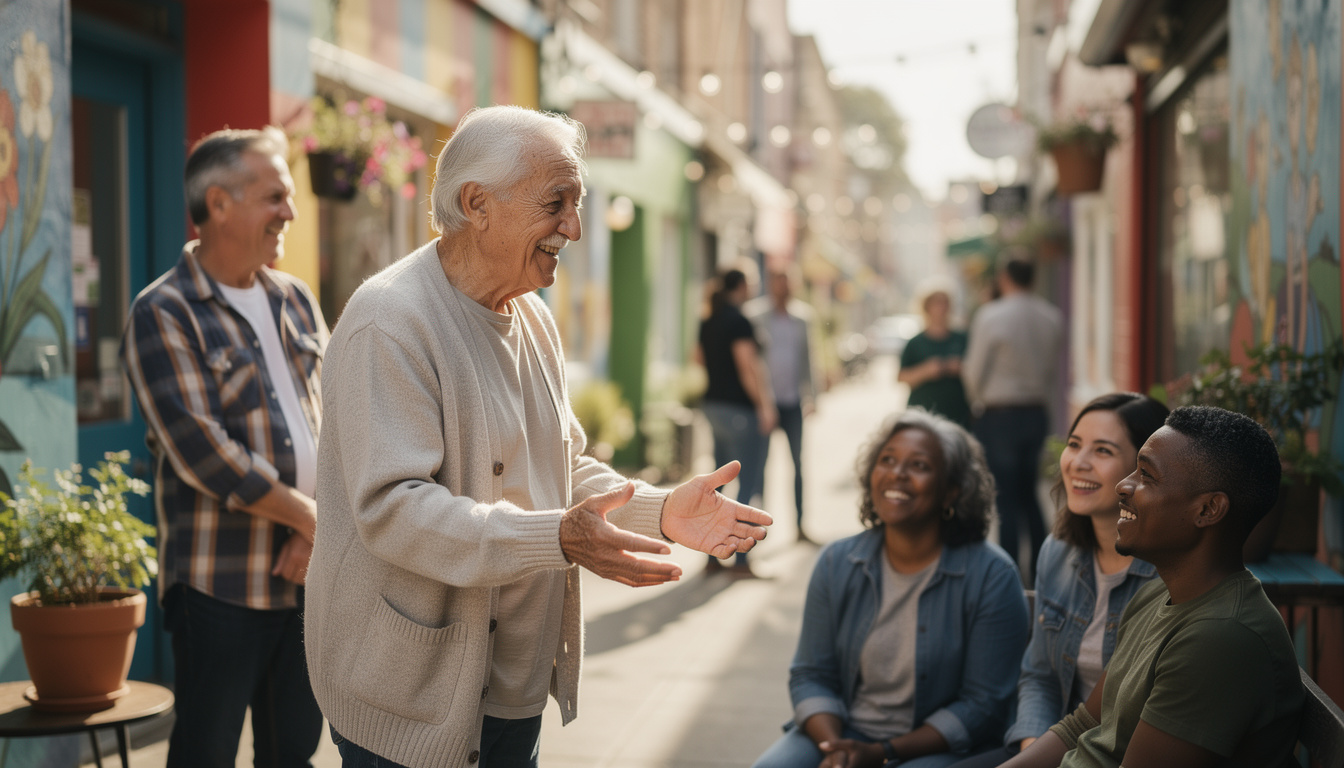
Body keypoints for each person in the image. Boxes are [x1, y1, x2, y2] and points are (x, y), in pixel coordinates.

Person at [305, 105, 772, 768]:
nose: (573, 228)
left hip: (510, 684)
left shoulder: (531, 314)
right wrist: (556, 538)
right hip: (411, 691)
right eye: (557, 203)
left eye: (576, 204)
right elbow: (394, 511)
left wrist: (660, 509)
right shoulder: (390, 320)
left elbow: (563, 463)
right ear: (477, 204)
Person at [120, 127, 326, 767]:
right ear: (218, 204)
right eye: (274, 197)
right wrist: (313, 519)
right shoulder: (164, 310)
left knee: (294, 750)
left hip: (308, 578)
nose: (289, 213)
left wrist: (313, 531)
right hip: (219, 586)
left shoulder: (295, 299)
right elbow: (205, 452)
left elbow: (345, 421)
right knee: (205, 753)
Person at [1000, 406, 1304, 768]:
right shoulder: (1161, 593)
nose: (1123, 486)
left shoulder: (1221, 637)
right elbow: (1081, 725)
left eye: (1146, 475)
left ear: (1208, 509)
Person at [752, 408, 1030, 768]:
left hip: (937, 746)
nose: (897, 473)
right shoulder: (837, 561)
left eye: (919, 465)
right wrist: (837, 749)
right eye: (887, 460)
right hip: (842, 732)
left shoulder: (992, 575)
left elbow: (983, 705)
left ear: (950, 492)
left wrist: (881, 753)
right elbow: (811, 674)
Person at [947, 393, 1168, 768]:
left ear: (1142, 471)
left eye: (1102, 451)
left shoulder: (1167, 576)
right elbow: (1040, 676)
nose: (1078, 463)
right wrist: (1032, 749)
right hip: (1052, 750)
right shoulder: (1058, 552)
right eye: (1074, 445)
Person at [962, 256, 1063, 580]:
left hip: (1000, 413)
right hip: (1035, 411)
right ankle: (1039, 568)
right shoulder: (1052, 316)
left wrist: (977, 403)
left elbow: (973, 372)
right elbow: (1051, 370)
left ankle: (1008, 573)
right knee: (1029, 494)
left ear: (1005, 278)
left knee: (1005, 498)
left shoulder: (991, 315)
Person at [697, 267, 776, 573]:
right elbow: (747, 367)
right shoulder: (739, 321)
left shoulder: (709, 320)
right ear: (742, 286)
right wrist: (764, 406)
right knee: (748, 482)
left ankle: (711, 556)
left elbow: (699, 358)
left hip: (713, 406)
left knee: (717, 484)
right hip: (740, 410)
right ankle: (741, 558)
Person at [744, 268, 820, 543]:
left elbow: (809, 358)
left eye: (787, 283)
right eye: (778, 283)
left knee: (798, 465)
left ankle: (800, 525)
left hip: (792, 402)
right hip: (765, 403)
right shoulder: (755, 315)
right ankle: (757, 527)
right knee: (760, 466)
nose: (783, 288)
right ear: (771, 285)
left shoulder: (802, 318)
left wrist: (813, 396)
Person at [898, 285, 971, 428]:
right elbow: (901, 377)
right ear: (926, 308)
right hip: (923, 415)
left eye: (945, 303)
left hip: (957, 414)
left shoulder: (962, 338)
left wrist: (960, 368)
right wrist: (926, 371)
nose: (942, 308)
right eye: (937, 303)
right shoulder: (915, 342)